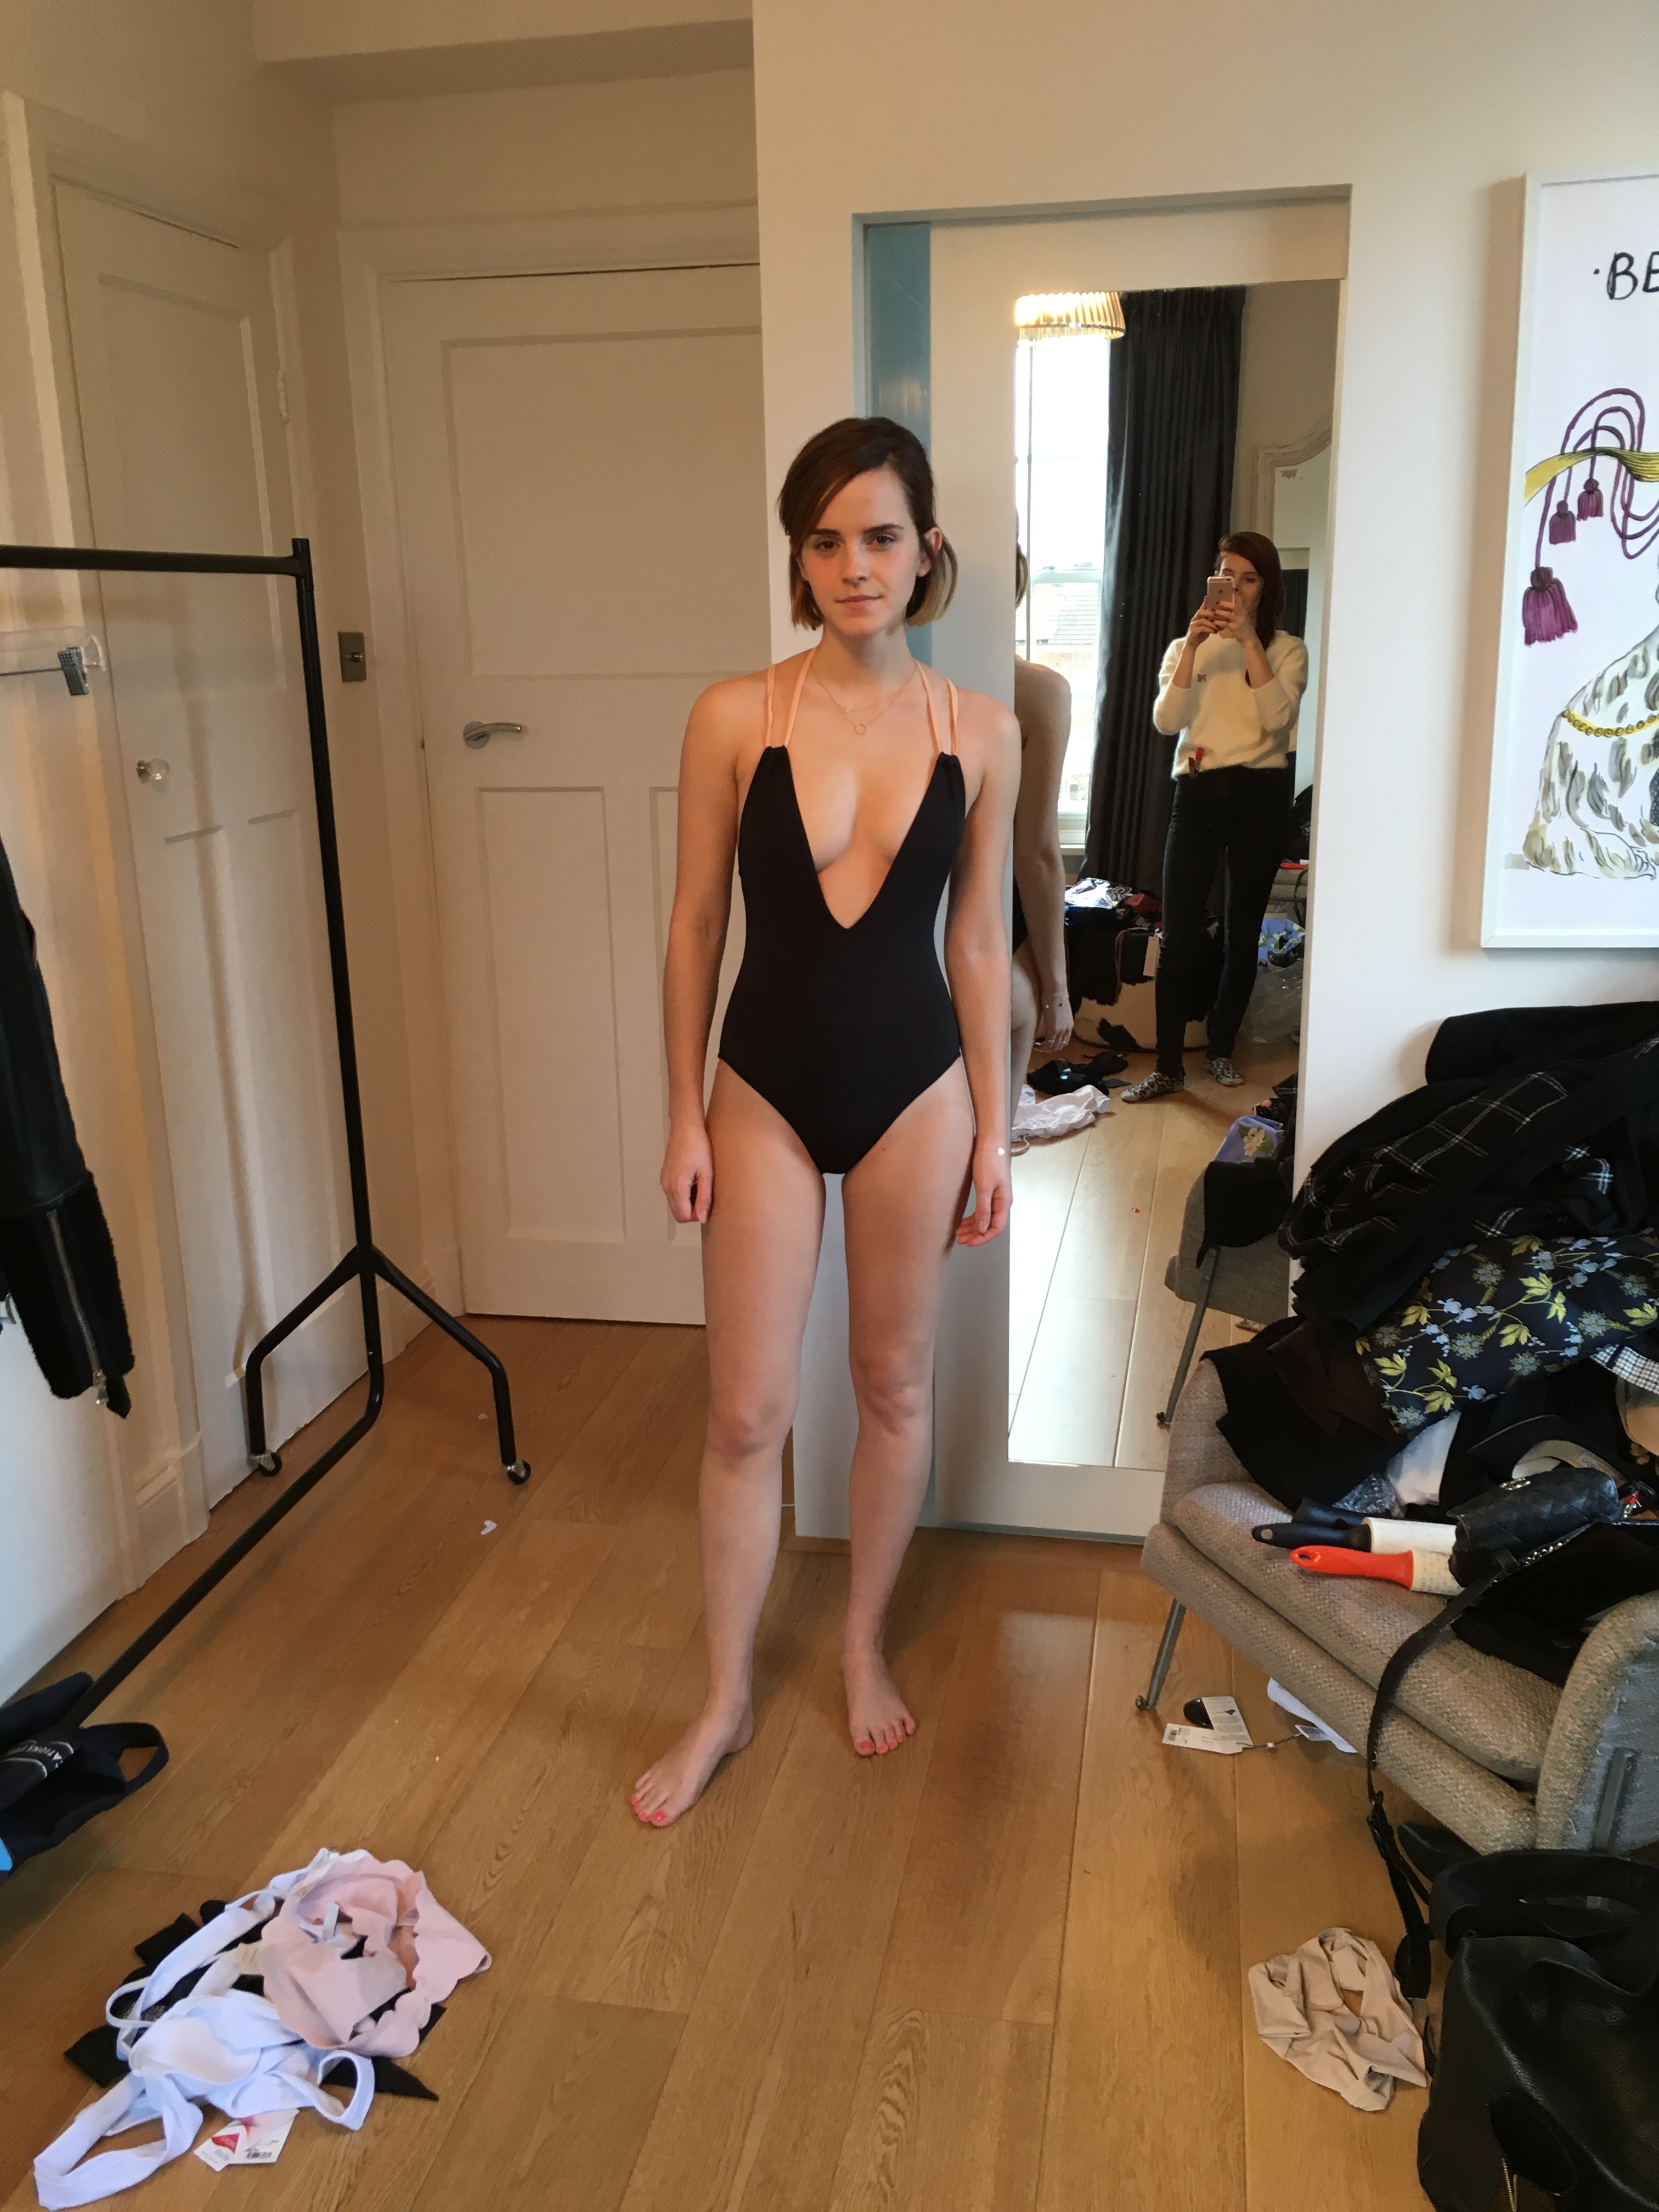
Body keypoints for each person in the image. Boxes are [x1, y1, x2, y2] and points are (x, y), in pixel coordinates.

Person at [633, 416, 1020, 1828]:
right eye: (827, 540)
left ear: (927, 550)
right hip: (764, 1088)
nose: (856, 565)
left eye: (882, 536)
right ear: (801, 560)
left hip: (921, 1088)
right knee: (746, 1410)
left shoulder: (983, 730)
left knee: (892, 1386)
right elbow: (694, 924)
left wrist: (997, 1128)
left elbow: (978, 943)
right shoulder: (736, 717)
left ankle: (860, 1644)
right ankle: (724, 1699)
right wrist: (683, 1112)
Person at [1119, 531, 1307, 1103]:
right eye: (1228, 577)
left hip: (1261, 795)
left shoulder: (1287, 650)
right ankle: (1169, 1066)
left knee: (1241, 932)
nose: (1237, 589)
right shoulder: (1187, 646)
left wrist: (1249, 640)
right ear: (1214, 582)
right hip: (1198, 793)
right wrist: (1194, 648)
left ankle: (1221, 1049)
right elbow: (1166, 721)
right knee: (1177, 934)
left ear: (1265, 588)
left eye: (1249, 579)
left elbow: (1277, 719)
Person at [1009, 541, 1074, 1121]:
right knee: (991, 1136)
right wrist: (1057, 990)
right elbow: (1035, 853)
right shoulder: (1037, 692)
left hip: (898, 923)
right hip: (991, 915)